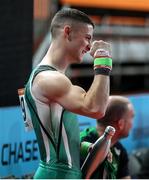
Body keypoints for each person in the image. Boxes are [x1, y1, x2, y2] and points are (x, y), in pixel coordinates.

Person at [23, 7, 112, 179]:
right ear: (68, 32)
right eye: (87, 38)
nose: (89, 46)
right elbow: (96, 109)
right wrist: (103, 59)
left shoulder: (48, 77)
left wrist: (85, 148)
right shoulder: (48, 79)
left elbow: (53, 135)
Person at [80, 95, 135, 179]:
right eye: (132, 117)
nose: (132, 124)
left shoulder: (119, 149)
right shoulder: (80, 144)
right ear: (121, 124)